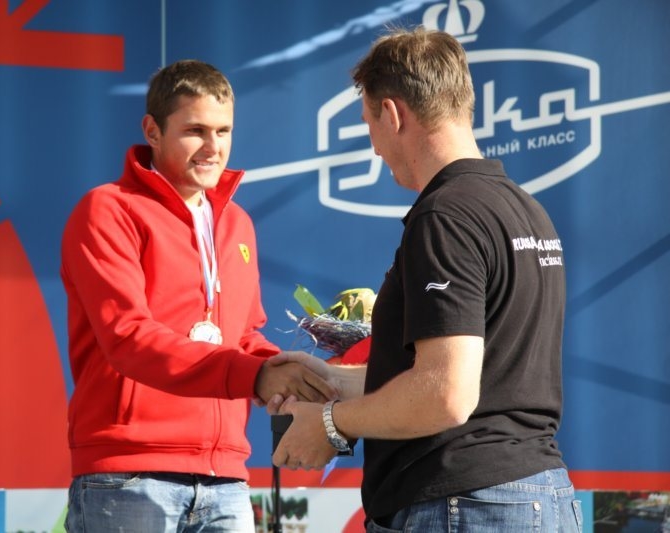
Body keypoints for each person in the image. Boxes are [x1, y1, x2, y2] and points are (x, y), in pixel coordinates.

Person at [269, 27, 582, 531]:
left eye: (369, 124)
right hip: (537, 496)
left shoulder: (445, 216)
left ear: (392, 115)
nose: (374, 148)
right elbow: (481, 380)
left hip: (465, 503)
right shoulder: (525, 210)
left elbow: (446, 395)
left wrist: (329, 423)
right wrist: (331, 380)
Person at [60, 59, 336, 533]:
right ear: (153, 130)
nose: (213, 148)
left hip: (225, 476)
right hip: (131, 472)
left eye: (224, 131)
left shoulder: (237, 223)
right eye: (195, 131)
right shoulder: (109, 210)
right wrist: (255, 376)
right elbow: (128, 337)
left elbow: (243, 338)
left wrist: (294, 376)